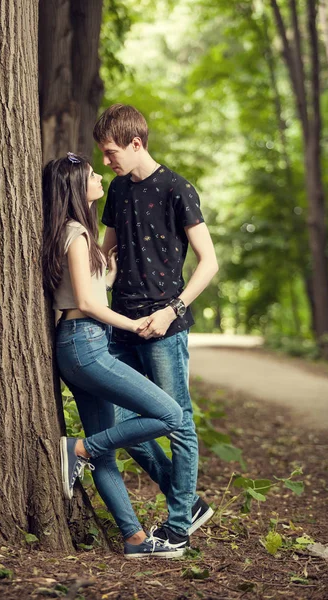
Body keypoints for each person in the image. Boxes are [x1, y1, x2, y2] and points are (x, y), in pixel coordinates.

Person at [42, 152, 188, 559]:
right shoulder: (78, 233)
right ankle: (79, 450)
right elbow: (88, 304)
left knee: (104, 446)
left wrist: (108, 271)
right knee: (171, 415)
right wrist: (134, 324)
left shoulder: (68, 232)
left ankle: (134, 539)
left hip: (77, 344)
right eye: (92, 175)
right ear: (76, 187)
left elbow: (83, 289)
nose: (100, 178)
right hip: (85, 344)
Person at [93, 104, 219, 551]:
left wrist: (172, 308)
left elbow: (209, 261)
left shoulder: (177, 188)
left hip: (166, 326)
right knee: (125, 421)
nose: (107, 161)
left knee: (178, 423)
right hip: (122, 325)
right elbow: (105, 256)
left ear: (136, 142)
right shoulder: (117, 189)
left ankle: (179, 526)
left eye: (111, 153)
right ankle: (187, 501)